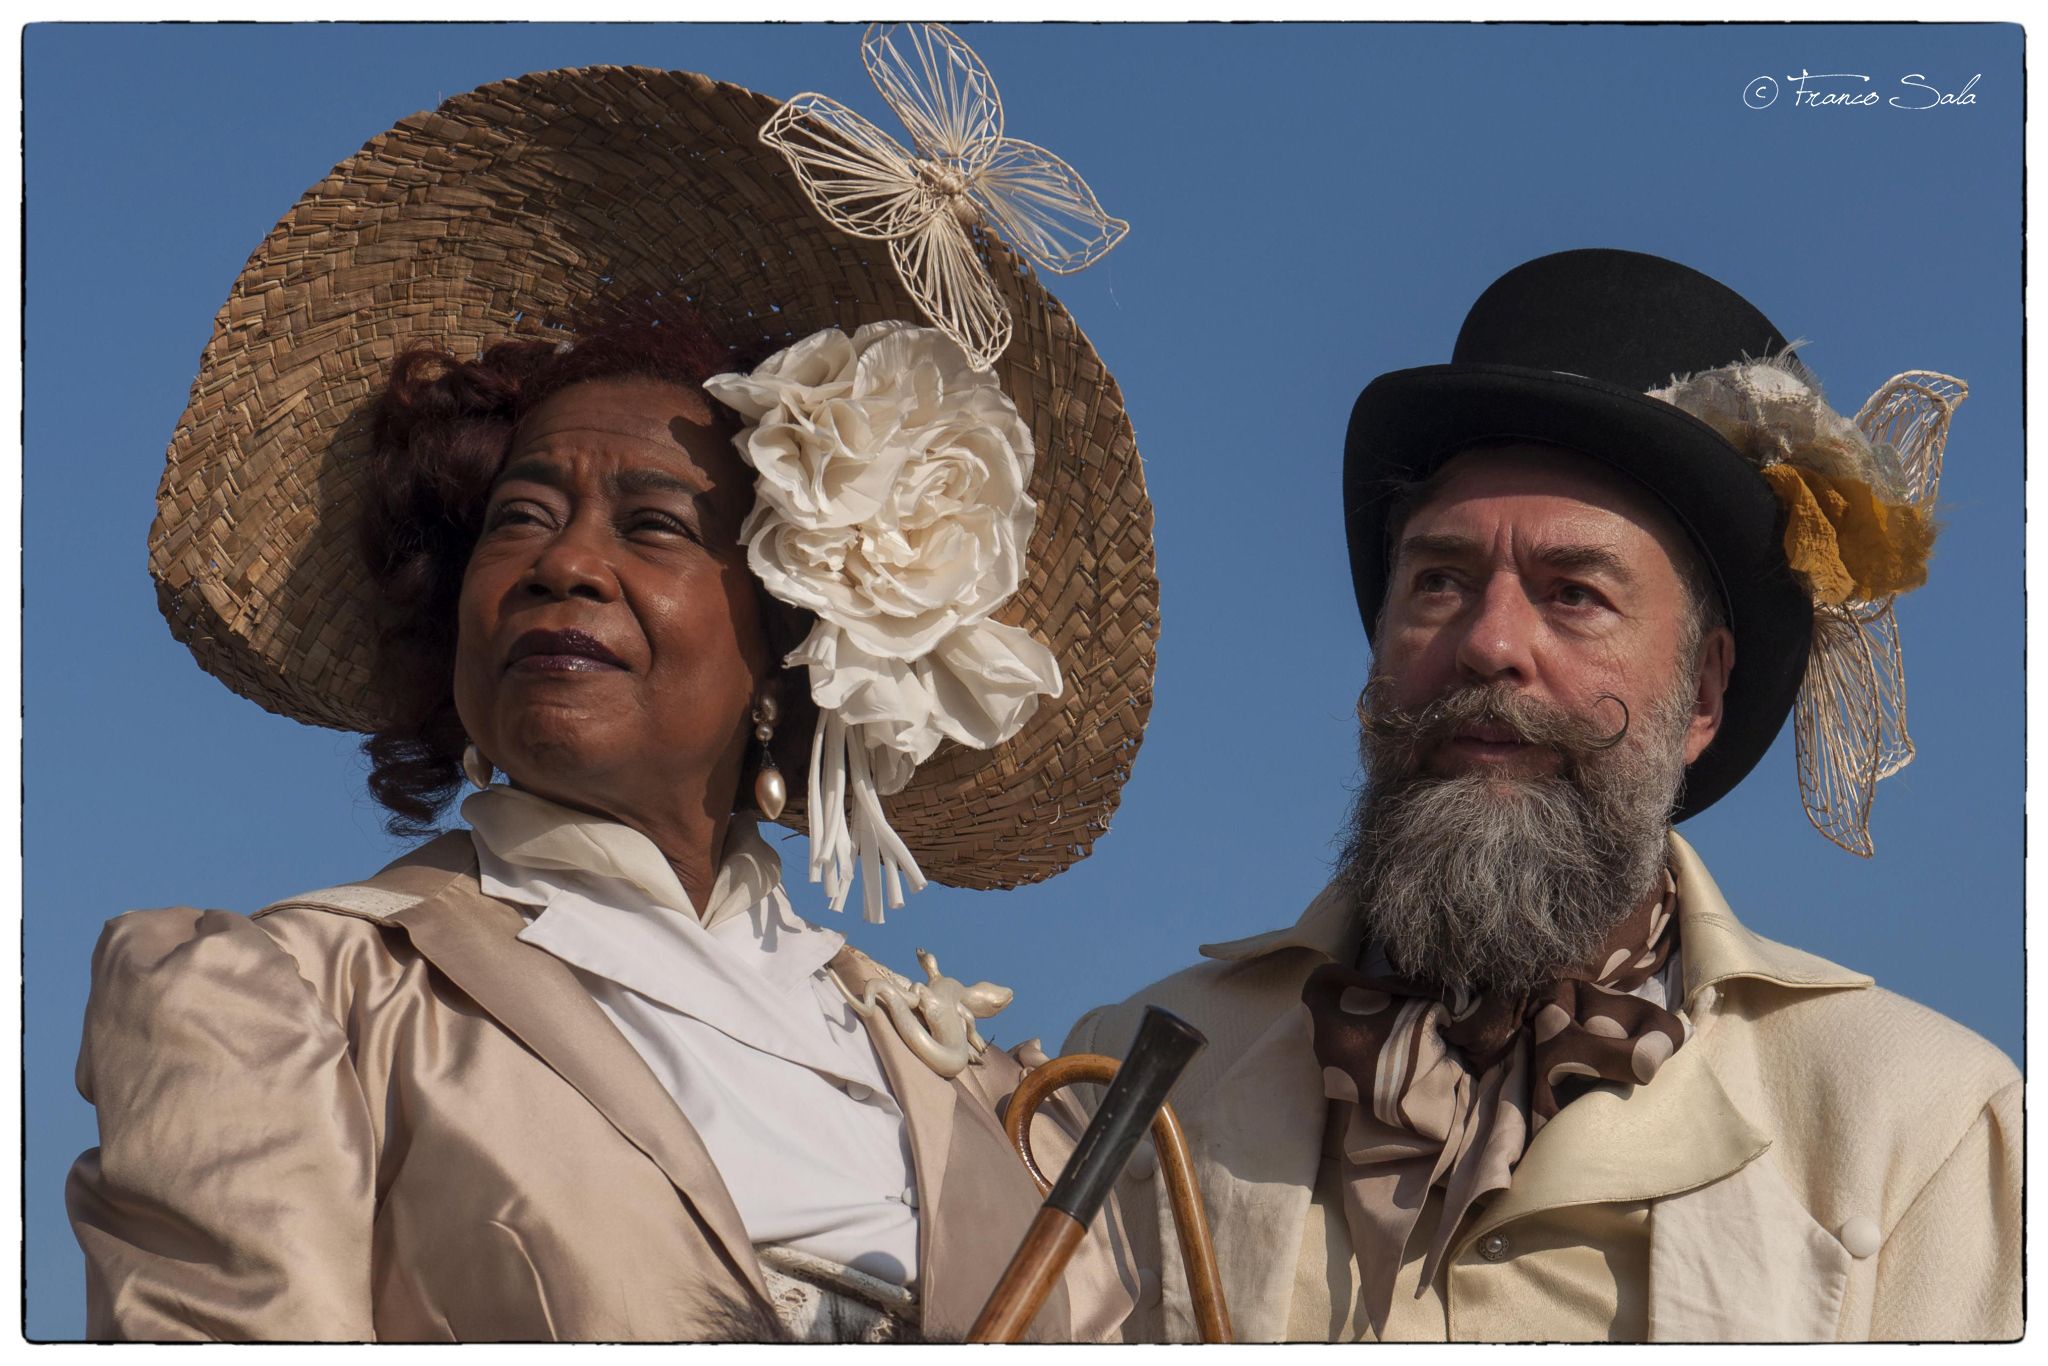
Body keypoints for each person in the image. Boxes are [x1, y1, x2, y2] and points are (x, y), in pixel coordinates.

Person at [69, 36, 1158, 1343]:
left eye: (652, 526)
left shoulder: (982, 1093)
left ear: (791, 635)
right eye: (519, 518)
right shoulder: (288, 997)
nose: (564, 564)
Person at [1066, 249, 2018, 1342]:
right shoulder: (1131, 1069)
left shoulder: (1925, 1126)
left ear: (1703, 692)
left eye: (1573, 594)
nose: (1488, 644)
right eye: (1438, 581)